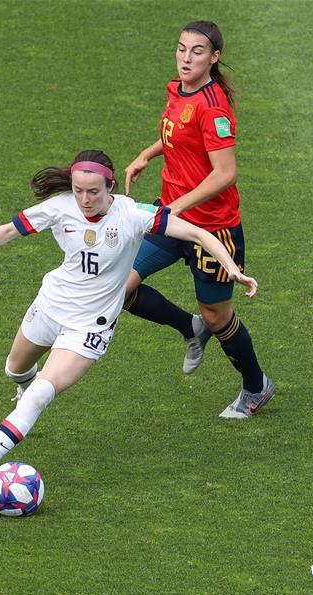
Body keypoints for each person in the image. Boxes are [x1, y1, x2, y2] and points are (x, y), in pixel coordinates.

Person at [0, 150, 257, 494]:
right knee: (15, 370)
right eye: (78, 191)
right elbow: (8, 231)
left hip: (90, 325)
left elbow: (199, 235)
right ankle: (23, 394)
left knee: (40, 394)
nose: (85, 200)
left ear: (111, 187)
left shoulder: (133, 214)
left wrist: (233, 269)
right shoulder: (60, 207)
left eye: (93, 192)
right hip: (51, 304)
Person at [123, 20, 274, 419]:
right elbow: (178, 135)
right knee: (119, 288)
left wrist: (177, 206)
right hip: (173, 216)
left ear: (214, 57)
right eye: (181, 49)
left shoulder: (214, 106)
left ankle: (256, 387)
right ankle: (189, 329)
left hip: (213, 227)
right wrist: (147, 153)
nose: (186, 58)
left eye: (197, 51)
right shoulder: (178, 89)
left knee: (218, 316)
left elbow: (225, 173)